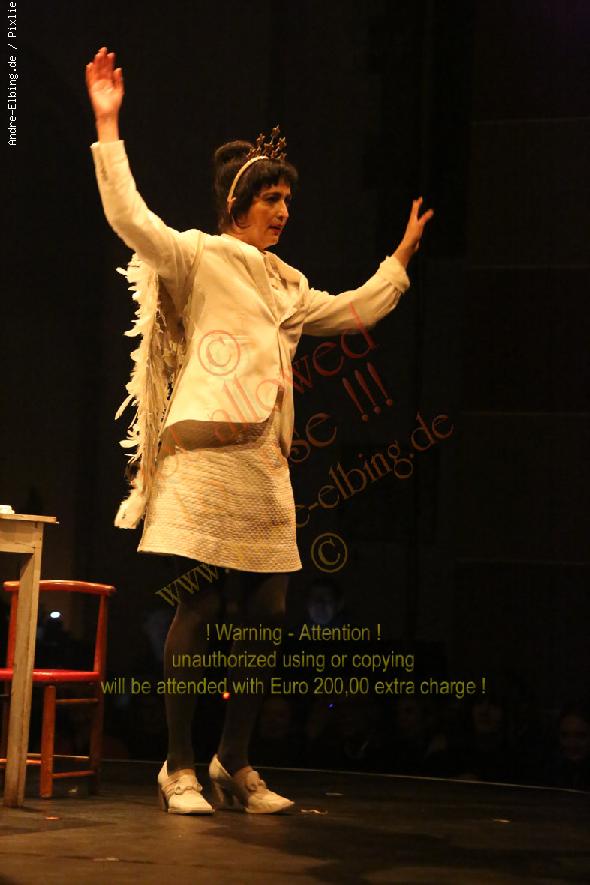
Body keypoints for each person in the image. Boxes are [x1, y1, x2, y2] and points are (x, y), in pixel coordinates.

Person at [85, 46, 433, 815]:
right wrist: (108, 124)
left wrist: (400, 260)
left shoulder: (288, 284)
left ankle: (234, 760)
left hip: (266, 466)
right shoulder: (201, 256)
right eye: (271, 197)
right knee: (202, 607)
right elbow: (130, 218)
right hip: (206, 457)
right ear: (238, 202)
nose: (283, 210)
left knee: (269, 614)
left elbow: (352, 310)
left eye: (287, 200)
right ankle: (177, 765)